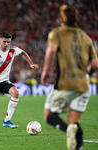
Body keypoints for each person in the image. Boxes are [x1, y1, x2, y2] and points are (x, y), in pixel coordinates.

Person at [40, 4, 98, 150]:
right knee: (74, 122)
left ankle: (68, 131)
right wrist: (86, 74)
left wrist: (46, 70)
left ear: (61, 19)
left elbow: (51, 50)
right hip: (84, 85)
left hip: (65, 83)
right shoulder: (86, 38)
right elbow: (95, 64)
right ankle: (77, 139)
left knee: (49, 115)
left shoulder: (57, 33)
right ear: (77, 20)